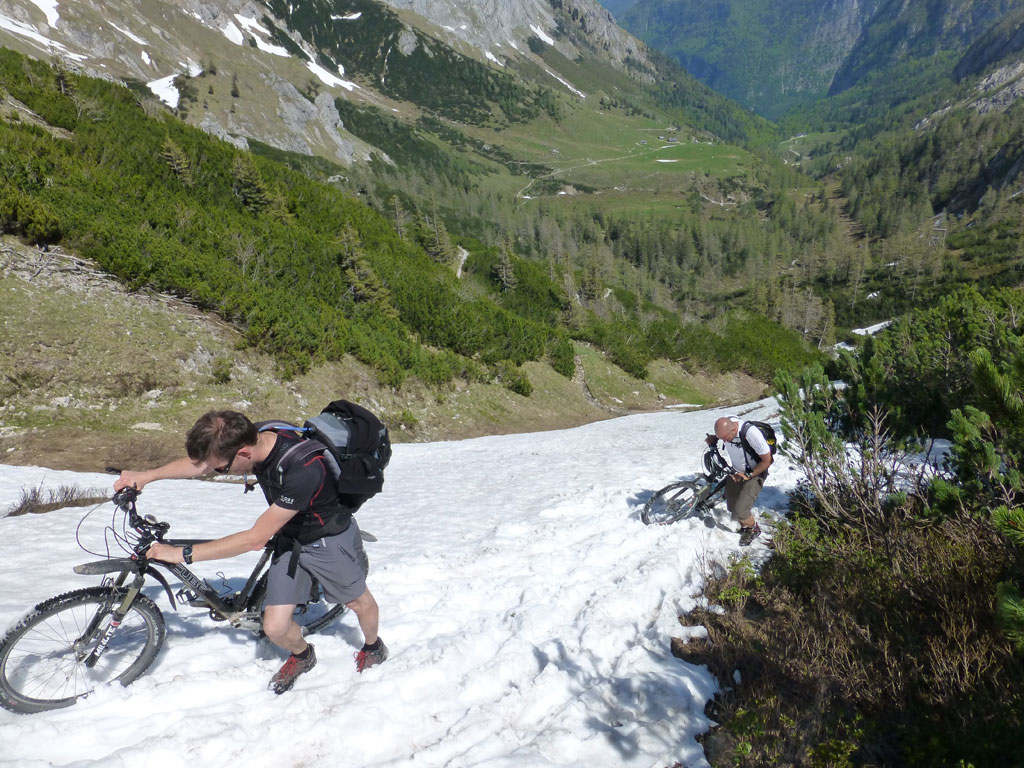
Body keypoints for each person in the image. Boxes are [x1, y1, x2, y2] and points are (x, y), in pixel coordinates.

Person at [114, 410, 388, 694]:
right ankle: (303, 655)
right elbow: (201, 466)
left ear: (243, 453)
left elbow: (255, 539)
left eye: (222, 468)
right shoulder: (252, 437)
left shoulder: (304, 469)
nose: (218, 471)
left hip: (327, 542)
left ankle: (374, 646)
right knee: (275, 628)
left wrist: (183, 554)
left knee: (359, 602)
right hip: (290, 537)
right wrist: (147, 476)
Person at [705, 416, 773, 546]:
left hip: (755, 472)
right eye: (722, 439)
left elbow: (767, 461)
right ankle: (745, 526)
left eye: (726, 438)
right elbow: (721, 434)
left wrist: (748, 475)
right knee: (732, 505)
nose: (724, 441)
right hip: (737, 472)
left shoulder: (752, 434)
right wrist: (713, 441)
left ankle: (753, 529)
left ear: (733, 430)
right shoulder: (728, 426)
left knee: (740, 510)